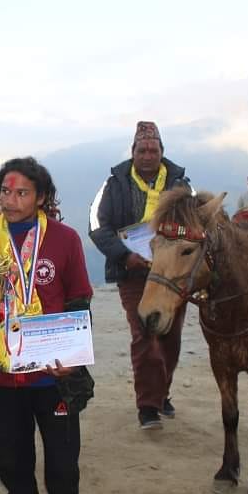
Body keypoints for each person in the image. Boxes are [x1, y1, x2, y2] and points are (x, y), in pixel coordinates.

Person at [0, 157, 95, 494]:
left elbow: (78, 299)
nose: (12, 199)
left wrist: (73, 359)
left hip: (51, 377)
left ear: (41, 197)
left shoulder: (63, 239)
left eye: (22, 192)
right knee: (11, 461)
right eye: (5, 191)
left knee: (61, 464)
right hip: (3, 377)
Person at [88, 120, 190, 429]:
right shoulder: (114, 183)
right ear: (133, 152)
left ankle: (162, 392)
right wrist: (124, 255)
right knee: (144, 334)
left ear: (162, 151)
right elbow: (96, 225)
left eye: (153, 149)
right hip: (132, 272)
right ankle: (148, 406)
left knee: (170, 336)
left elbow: (196, 225)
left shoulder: (181, 182)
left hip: (172, 275)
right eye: (142, 149)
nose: (148, 154)